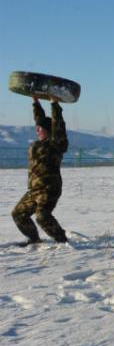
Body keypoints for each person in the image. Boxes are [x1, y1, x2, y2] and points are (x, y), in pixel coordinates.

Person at [12, 95, 69, 246]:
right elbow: (40, 120)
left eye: (40, 128)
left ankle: (62, 241)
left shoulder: (56, 143)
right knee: (18, 214)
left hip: (49, 188)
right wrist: (35, 102)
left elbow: (58, 125)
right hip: (34, 189)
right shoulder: (38, 143)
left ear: (49, 130)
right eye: (37, 128)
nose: (37, 130)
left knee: (42, 216)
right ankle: (34, 240)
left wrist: (54, 104)